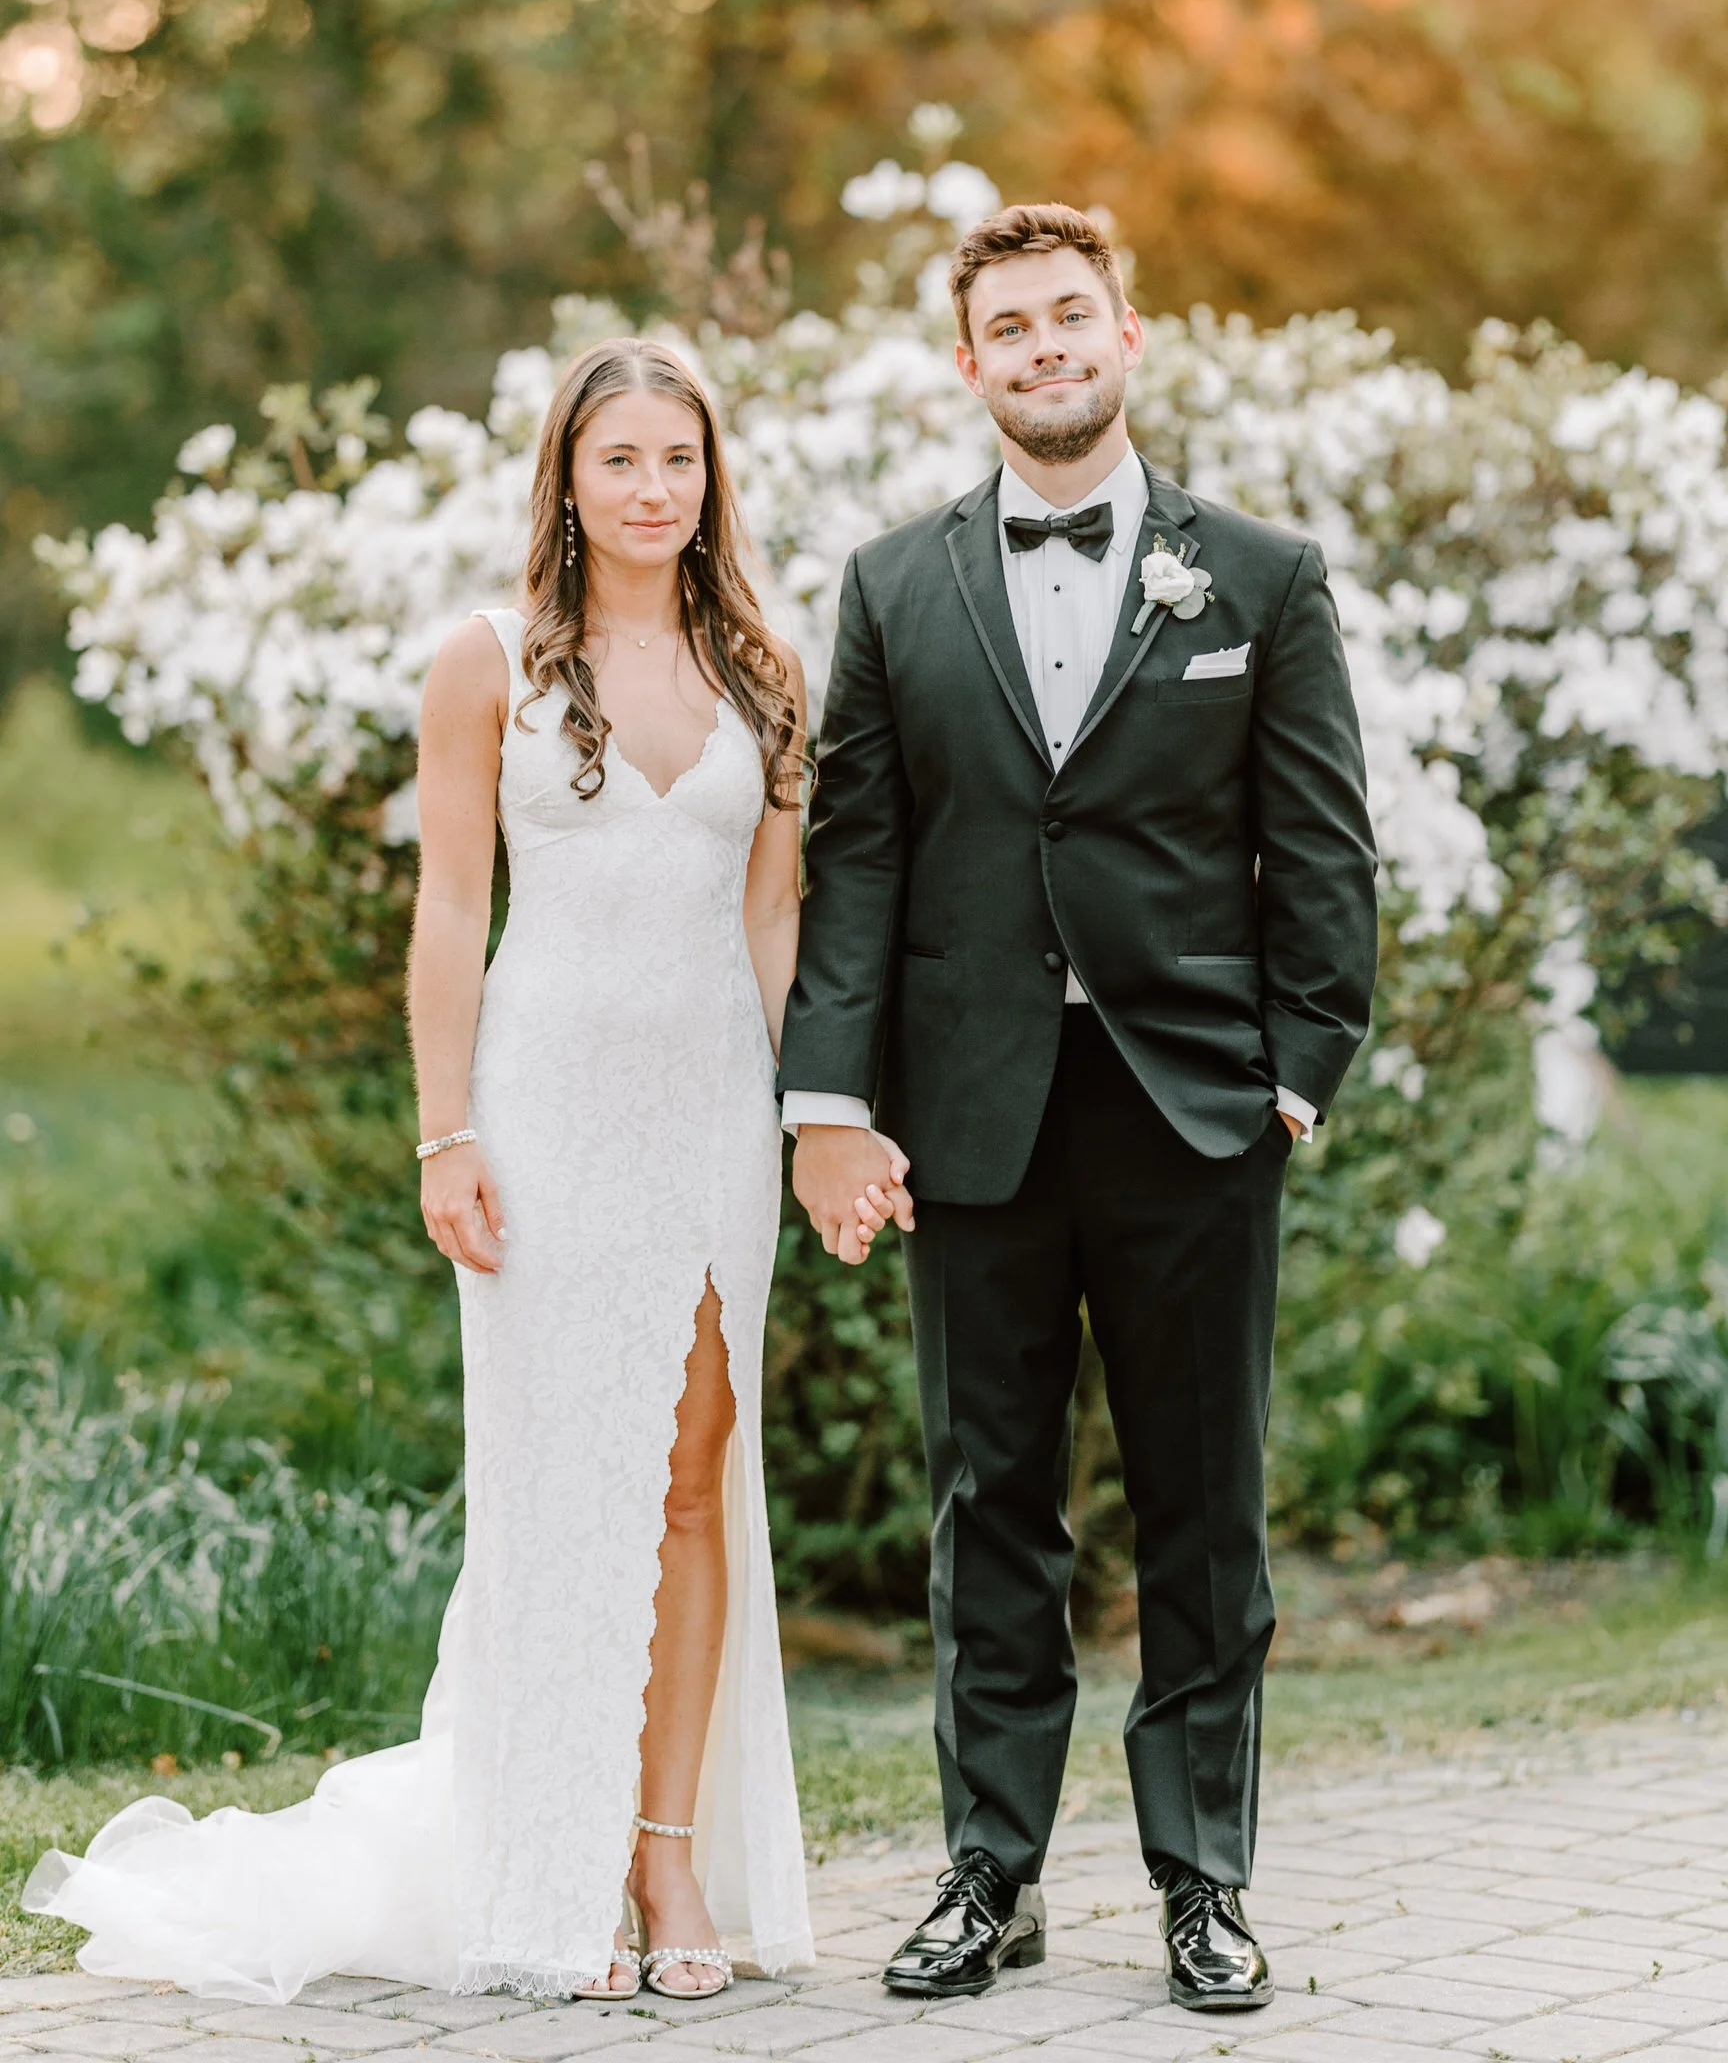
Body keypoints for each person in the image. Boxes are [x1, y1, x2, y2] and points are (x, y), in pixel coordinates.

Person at [27, 336, 817, 2005]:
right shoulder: (488, 665)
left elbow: (774, 918)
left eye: (679, 459)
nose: (652, 487)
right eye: (620, 459)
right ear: (569, 476)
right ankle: (554, 1862)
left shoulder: (765, 672)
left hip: (708, 1117)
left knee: (690, 1483)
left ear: (711, 478)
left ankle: (669, 1874)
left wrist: (813, 1113)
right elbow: (451, 908)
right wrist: (443, 1130)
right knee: (552, 1492)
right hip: (539, 1111)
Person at [779, 205, 1378, 2012]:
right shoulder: (893, 586)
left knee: (1206, 1508)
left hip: (1193, 1108)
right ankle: (992, 1870)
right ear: (968, 369)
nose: (1044, 351)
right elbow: (858, 858)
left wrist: (1296, 1075)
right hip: (969, 1118)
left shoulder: (1258, 579)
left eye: (1070, 318)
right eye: (1007, 332)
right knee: (991, 1504)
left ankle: (1204, 1881)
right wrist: (828, 1099)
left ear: (1129, 334)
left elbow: (1323, 847)